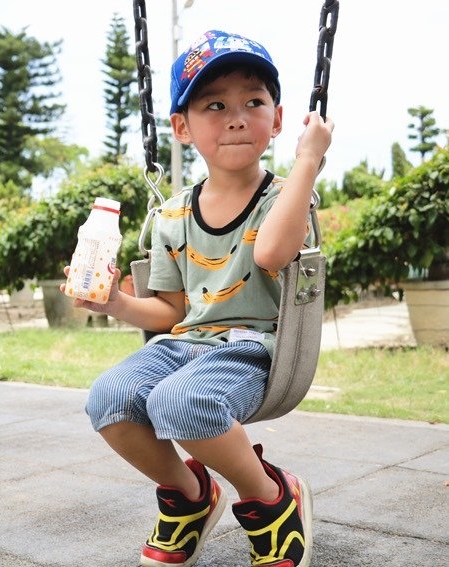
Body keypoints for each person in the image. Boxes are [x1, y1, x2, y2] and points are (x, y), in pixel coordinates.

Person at [62, 30, 333, 567]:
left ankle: (272, 499)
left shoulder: (285, 196)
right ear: (183, 129)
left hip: (253, 350)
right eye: (215, 105)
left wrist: (309, 161)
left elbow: (273, 255)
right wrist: (114, 302)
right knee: (109, 398)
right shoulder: (171, 217)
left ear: (277, 120)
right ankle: (189, 496)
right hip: (185, 346)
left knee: (177, 402)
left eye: (252, 102)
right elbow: (170, 314)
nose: (236, 117)